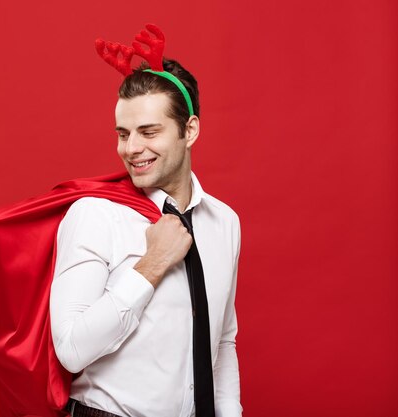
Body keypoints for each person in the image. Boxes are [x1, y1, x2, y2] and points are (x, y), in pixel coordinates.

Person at [49, 26, 243, 417]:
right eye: (123, 134)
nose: (131, 148)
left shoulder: (224, 222)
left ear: (189, 130)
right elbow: (71, 350)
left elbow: (222, 341)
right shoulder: (94, 215)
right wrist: (151, 264)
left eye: (148, 132)